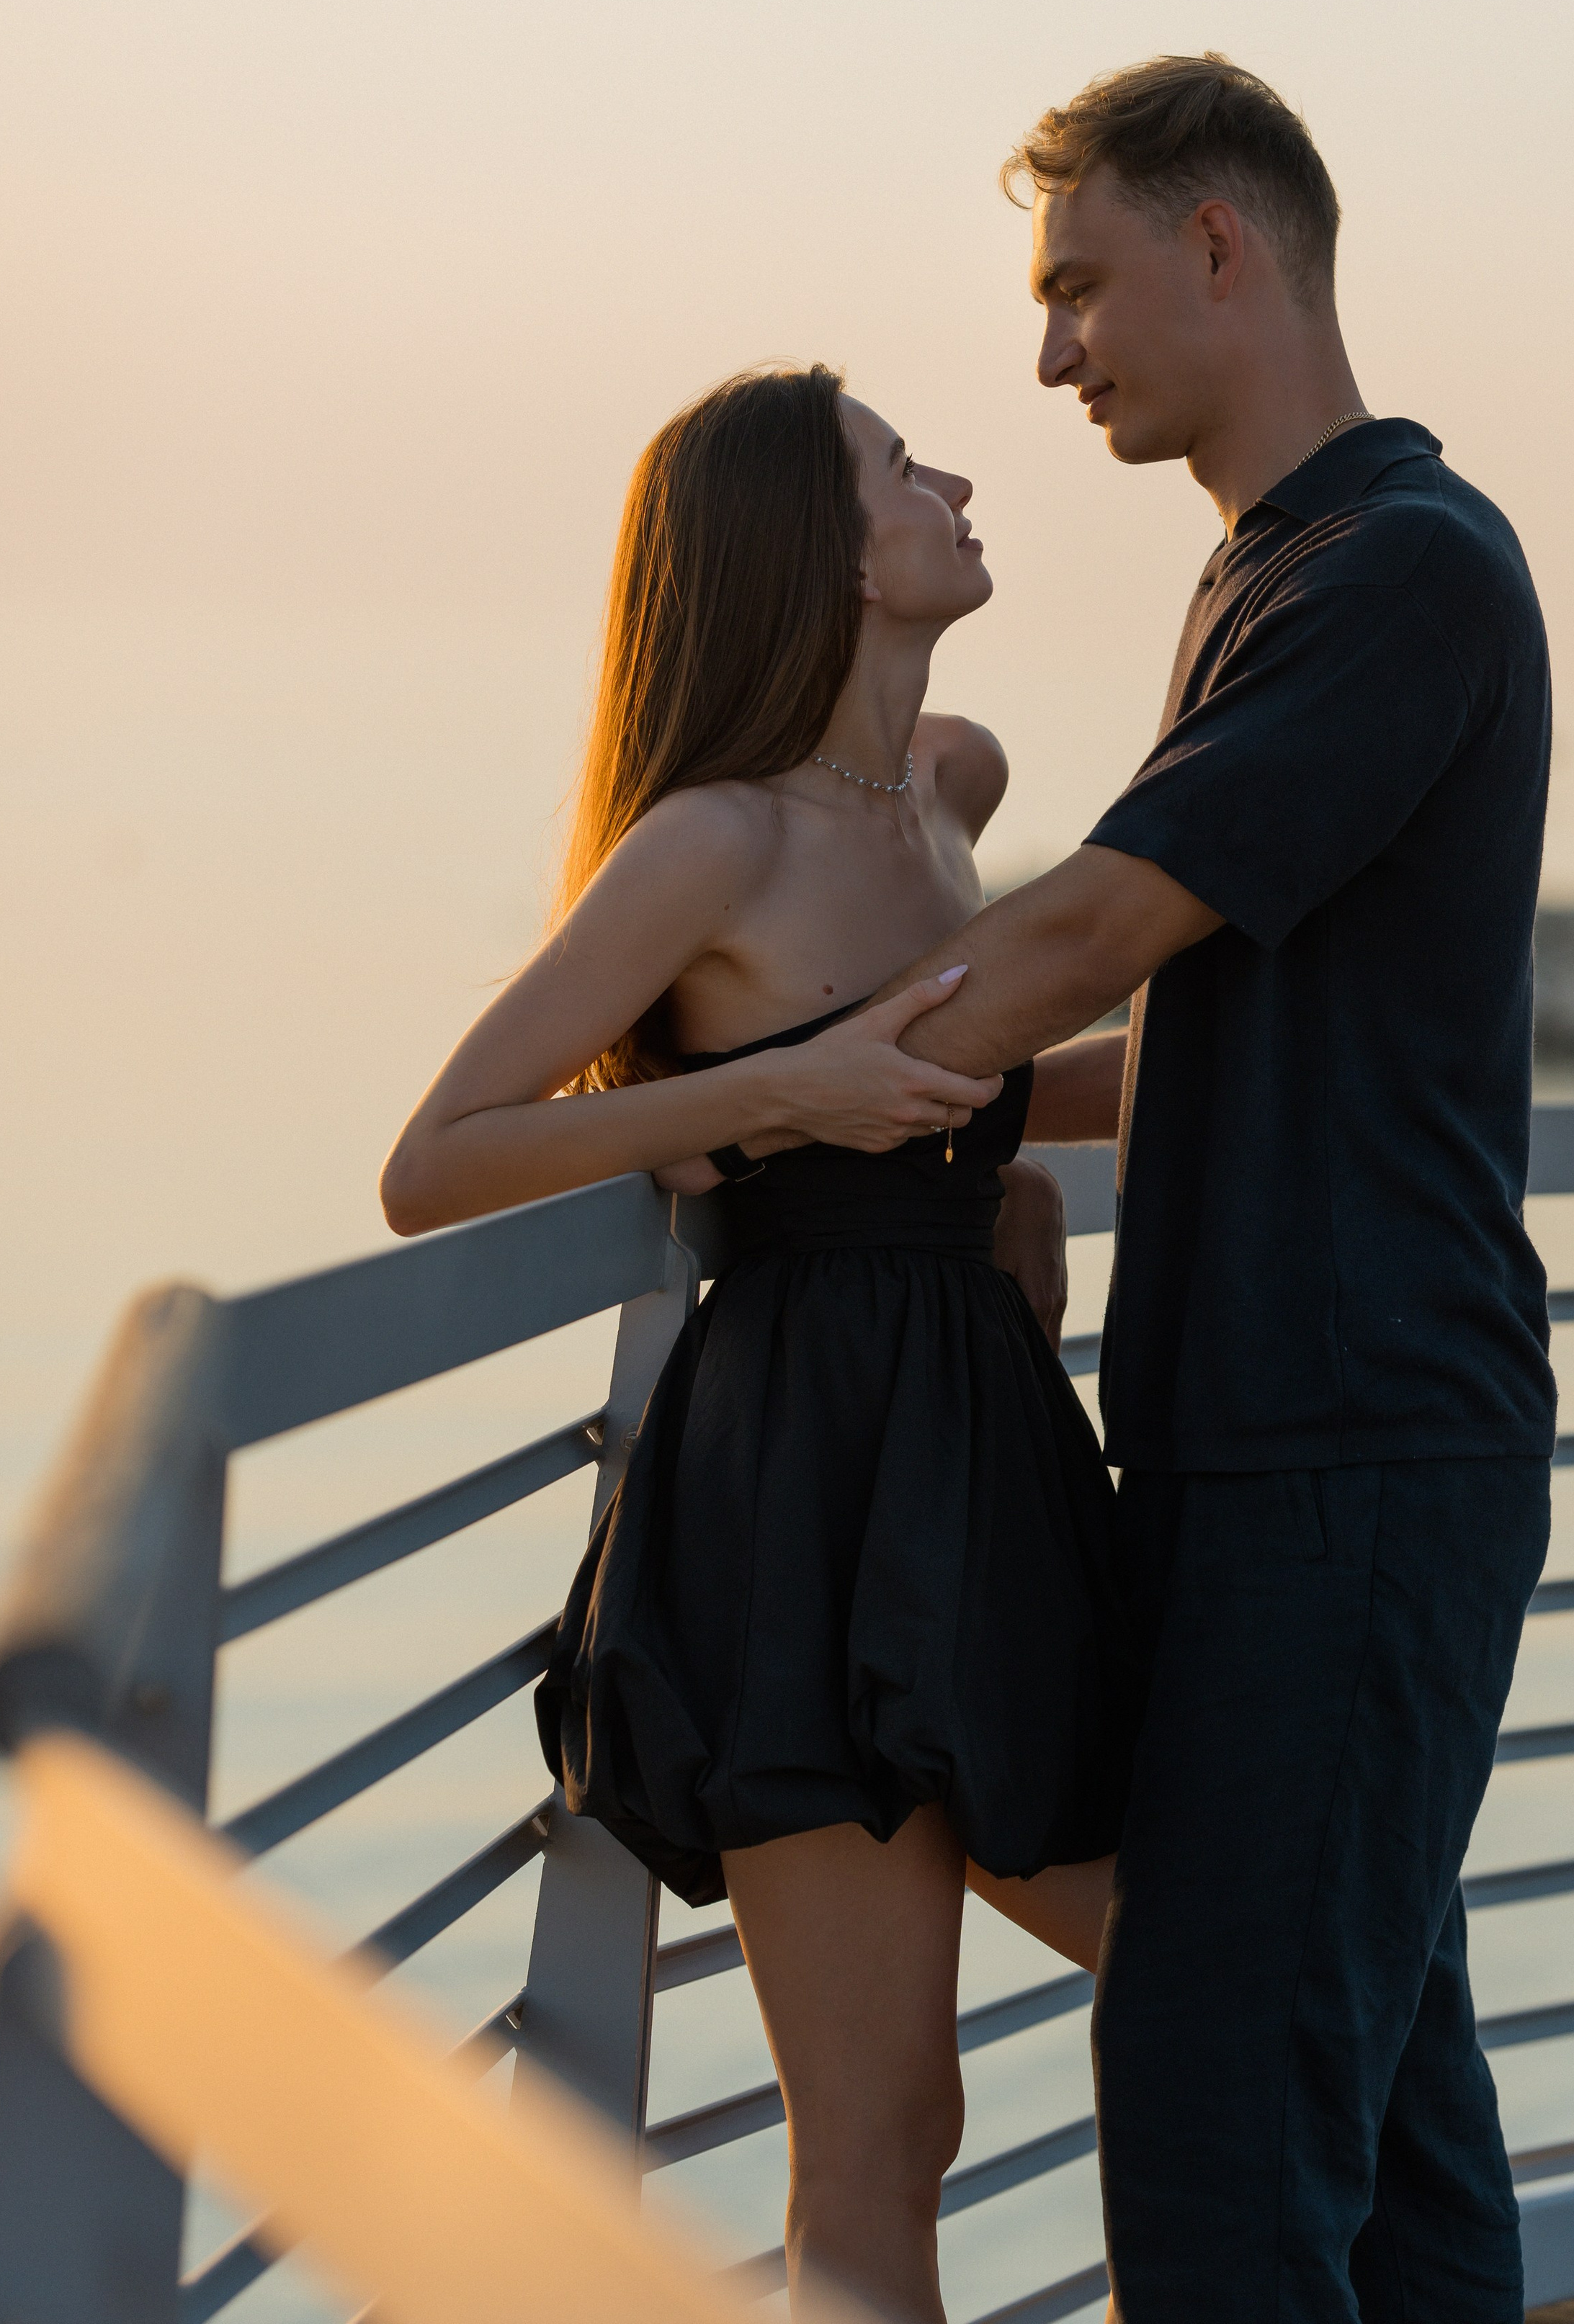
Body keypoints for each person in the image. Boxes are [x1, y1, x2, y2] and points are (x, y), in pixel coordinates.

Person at [864, 55, 1556, 2323]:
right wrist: (994, 1104)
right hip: (1285, 1450)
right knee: (1381, 2138)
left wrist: (750, 1091)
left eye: (1078, 285)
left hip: (1348, 1456)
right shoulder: (1285, 565)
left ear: (1221, 243)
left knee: (1219, 2138)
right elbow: (1189, 1033)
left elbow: (1098, 922)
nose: (1052, 349)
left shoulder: (1398, 571)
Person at [379, 364, 1132, 2324]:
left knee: (1200, 1968)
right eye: (901, 466)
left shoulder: (951, 783)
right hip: (800, 1490)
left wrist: (1230, 1084)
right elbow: (440, 1156)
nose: (955, 479)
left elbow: (956, 1092)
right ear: (816, 547)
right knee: (882, 2138)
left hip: (982, 1458)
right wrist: (770, 1106)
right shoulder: (710, 845)